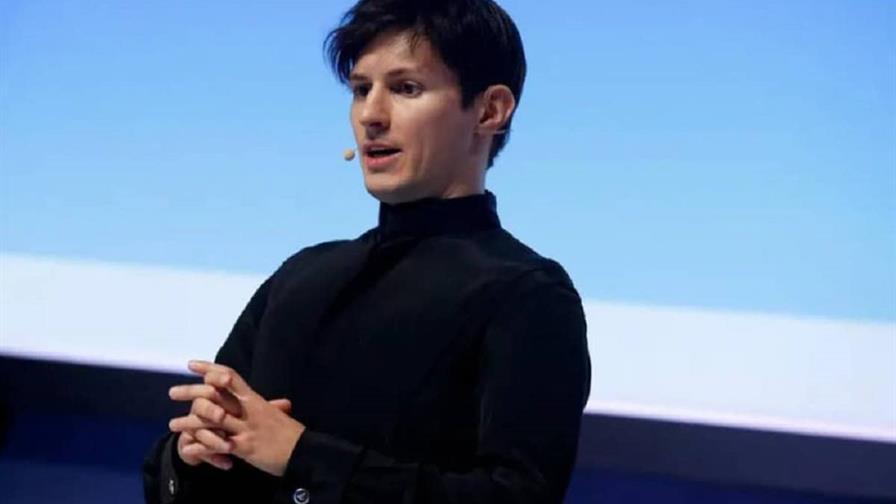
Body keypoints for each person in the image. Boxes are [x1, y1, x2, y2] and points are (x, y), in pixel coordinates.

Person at [142, 1, 591, 502]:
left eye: (406, 88)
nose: (371, 116)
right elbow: (187, 481)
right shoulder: (302, 276)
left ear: (490, 110)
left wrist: (301, 456)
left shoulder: (526, 294)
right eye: (360, 90)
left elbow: (517, 496)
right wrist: (194, 455)